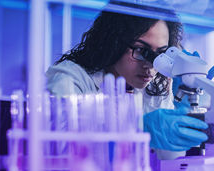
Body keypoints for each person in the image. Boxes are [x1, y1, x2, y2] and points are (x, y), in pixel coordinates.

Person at [45, 9, 209, 160]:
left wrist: (186, 99)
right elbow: (61, 147)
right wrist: (138, 129)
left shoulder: (156, 85)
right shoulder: (70, 78)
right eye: (140, 50)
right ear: (113, 43)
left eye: (160, 54)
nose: (150, 66)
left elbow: (168, 158)